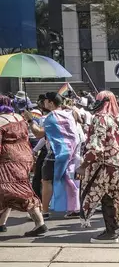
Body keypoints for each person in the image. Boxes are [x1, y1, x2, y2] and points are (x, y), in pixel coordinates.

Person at [78, 91, 119, 243]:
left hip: (107, 163)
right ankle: (116, 224)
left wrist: (83, 165)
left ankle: (110, 231)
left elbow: (96, 147)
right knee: (116, 194)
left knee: (104, 196)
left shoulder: (100, 118)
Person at [28, 92, 81, 221]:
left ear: (51, 103)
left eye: (46, 101)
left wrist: (30, 120)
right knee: (68, 180)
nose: (44, 103)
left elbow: (38, 134)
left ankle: (44, 211)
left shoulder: (50, 117)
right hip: (71, 153)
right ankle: (74, 208)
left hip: (55, 154)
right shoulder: (69, 115)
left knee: (46, 181)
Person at [0, 96, 46, 236]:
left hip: (9, 159)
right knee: (9, 189)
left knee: (16, 189)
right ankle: (1, 224)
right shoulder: (19, 118)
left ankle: (40, 223)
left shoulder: (1, 120)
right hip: (24, 156)